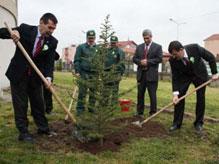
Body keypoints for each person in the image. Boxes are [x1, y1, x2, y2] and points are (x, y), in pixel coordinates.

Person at [0, 13, 58, 142]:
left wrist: (48, 78)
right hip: (19, 74)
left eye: (53, 28)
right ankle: (23, 132)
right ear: (41, 22)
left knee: (38, 103)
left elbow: (49, 63)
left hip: (36, 77)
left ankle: (43, 128)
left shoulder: (52, 42)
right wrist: (13, 33)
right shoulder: (25, 29)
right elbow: (2, 32)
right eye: (49, 27)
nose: (51, 31)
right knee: (21, 105)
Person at [168, 41, 219, 132]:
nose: (174, 57)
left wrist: (214, 73)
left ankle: (198, 123)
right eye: (172, 55)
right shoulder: (173, 59)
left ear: (181, 50)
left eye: (175, 54)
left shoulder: (195, 48)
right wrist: (175, 94)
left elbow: (210, 57)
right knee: (179, 97)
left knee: (200, 98)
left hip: (199, 74)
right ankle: (176, 123)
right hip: (185, 77)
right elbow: (175, 77)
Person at [133, 29, 162, 117]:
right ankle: (139, 112)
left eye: (147, 38)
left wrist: (148, 62)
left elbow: (159, 59)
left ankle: (153, 113)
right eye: (144, 38)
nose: (146, 40)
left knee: (152, 95)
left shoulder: (158, 47)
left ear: (151, 36)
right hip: (141, 75)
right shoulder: (139, 47)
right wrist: (140, 62)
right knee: (140, 94)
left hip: (152, 75)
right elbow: (134, 58)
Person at [73, 30, 97, 116]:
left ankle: (91, 109)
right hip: (83, 73)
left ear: (95, 38)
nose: (91, 39)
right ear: (87, 37)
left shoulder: (98, 48)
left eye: (92, 38)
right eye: (89, 38)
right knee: (82, 92)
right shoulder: (81, 47)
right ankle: (80, 109)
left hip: (94, 74)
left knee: (93, 93)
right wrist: (77, 71)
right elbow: (77, 60)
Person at [104, 36, 125, 106]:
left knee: (114, 90)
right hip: (106, 73)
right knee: (106, 90)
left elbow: (122, 63)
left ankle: (113, 105)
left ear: (117, 42)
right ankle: (104, 105)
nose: (113, 44)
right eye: (112, 43)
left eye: (114, 43)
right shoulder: (106, 51)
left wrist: (121, 74)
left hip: (116, 73)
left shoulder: (120, 52)